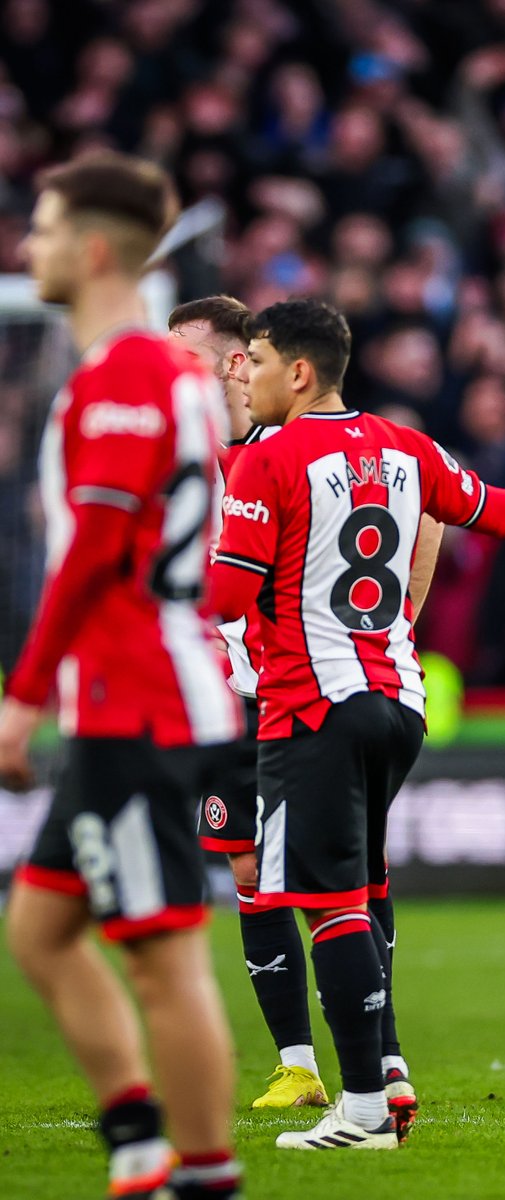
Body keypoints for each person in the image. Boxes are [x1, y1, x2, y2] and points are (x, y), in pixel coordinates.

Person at [207, 297, 505, 1151]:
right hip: (401, 704)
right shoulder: (404, 447)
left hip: (315, 706)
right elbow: (496, 509)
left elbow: (226, 596)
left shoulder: (266, 463)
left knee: (329, 902)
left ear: (300, 372)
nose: (249, 377)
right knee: (365, 887)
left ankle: (367, 1113)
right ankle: (386, 1070)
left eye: (259, 361)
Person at [0, 154, 244, 1198]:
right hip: (134, 694)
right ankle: (140, 1141)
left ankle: (203, 1174)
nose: (27, 248)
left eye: (44, 230)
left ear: (93, 249)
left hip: (136, 701)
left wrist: (20, 697)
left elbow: (98, 549)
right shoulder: (158, 375)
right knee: (43, 930)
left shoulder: (126, 376)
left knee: (163, 955)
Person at [169, 294, 441, 1113]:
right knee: (249, 865)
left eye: (185, 353)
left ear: (229, 363)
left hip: (308, 692)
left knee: (351, 875)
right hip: (230, 697)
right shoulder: (183, 454)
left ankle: (381, 1063)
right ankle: (299, 1064)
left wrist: (385, 627)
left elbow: (427, 514)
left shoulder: (286, 447)